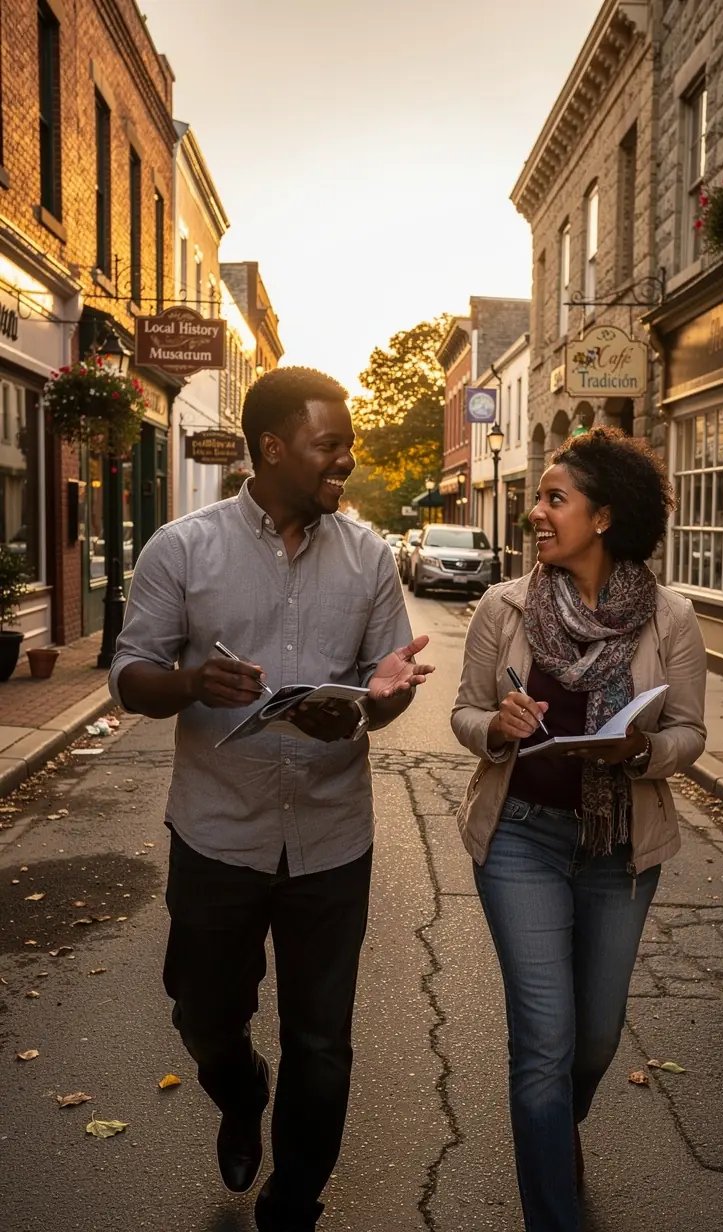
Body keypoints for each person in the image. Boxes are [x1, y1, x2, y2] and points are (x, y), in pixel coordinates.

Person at [109, 366, 434, 1232]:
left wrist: (387, 696)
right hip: (217, 834)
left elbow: (387, 679)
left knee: (322, 1042)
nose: (347, 464)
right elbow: (129, 678)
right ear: (273, 447)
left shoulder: (367, 556)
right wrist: (189, 682)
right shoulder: (181, 549)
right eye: (333, 447)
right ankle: (241, 1090)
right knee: (203, 1015)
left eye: (349, 449)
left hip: (333, 839)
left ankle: (294, 1203)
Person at [451, 426, 706, 1232]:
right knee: (544, 1044)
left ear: (603, 516)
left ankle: (556, 1130)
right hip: (521, 836)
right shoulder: (506, 606)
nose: (536, 512)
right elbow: (462, 713)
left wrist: (643, 752)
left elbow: (692, 734)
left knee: (593, 1043)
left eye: (554, 498)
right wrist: (496, 723)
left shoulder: (669, 619)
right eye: (538, 497)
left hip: (620, 848)